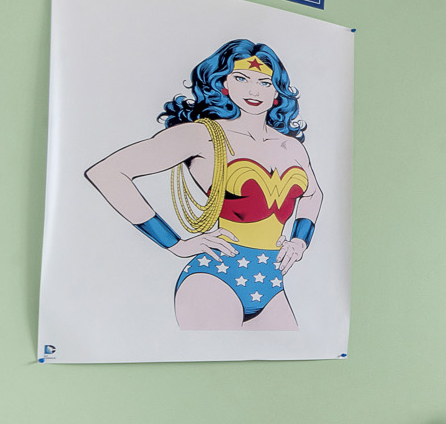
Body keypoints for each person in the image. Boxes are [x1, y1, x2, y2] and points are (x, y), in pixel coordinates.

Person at [85, 39, 323, 331]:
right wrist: (174, 244)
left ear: (276, 91)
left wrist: (299, 241)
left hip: (270, 281)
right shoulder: (202, 136)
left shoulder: (290, 146)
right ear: (223, 83)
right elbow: (108, 172)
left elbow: (313, 194)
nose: (253, 90)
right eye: (241, 78)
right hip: (214, 280)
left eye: (264, 82)